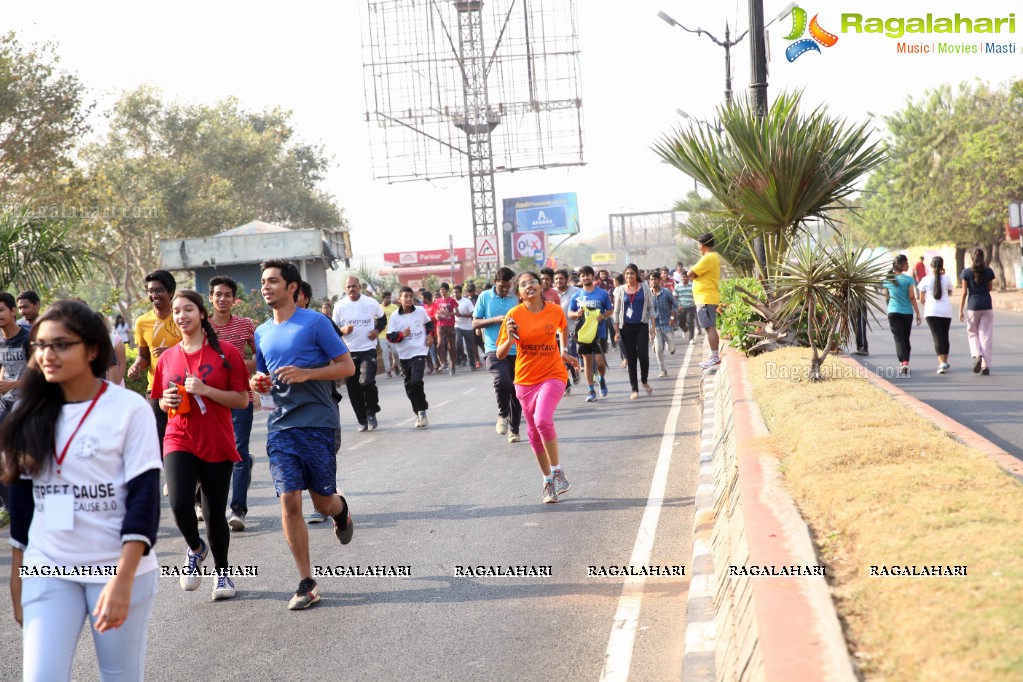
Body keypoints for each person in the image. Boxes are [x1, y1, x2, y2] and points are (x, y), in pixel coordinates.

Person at [2, 299, 161, 680]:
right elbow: (23, 504)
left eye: (60, 344)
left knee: (119, 675)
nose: (46, 354)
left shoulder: (128, 409)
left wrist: (122, 580)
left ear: (92, 349)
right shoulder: (29, 412)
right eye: (39, 345)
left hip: (117, 568)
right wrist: (17, 576)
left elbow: (145, 498)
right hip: (48, 565)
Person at [251, 259, 356, 610]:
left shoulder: (315, 323)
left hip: (317, 422)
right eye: (263, 282)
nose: (266, 287)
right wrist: (258, 384)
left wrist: (307, 374)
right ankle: (306, 581)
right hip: (280, 425)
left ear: (292, 287)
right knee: (288, 500)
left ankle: (340, 512)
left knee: (321, 503)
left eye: (273, 281)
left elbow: (347, 366)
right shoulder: (262, 332)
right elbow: (264, 381)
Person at [153, 291, 249, 599]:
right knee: (180, 504)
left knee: (213, 513)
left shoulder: (226, 354)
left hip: (216, 439)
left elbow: (242, 400)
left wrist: (206, 389)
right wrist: (165, 401)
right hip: (178, 436)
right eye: (177, 311)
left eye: (188, 310)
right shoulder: (167, 357)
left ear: (202, 314)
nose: (182, 316)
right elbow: (160, 399)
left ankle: (222, 574)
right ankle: (196, 548)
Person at [496, 272, 580, 503]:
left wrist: (563, 350)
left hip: (553, 373)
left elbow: (563, 327)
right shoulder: (514, 315)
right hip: (524, 380)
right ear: (519, 293)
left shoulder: (554, 309)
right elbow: (500, 353)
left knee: (543, 420)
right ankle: (547, 481)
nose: (529, 286)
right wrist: (510, 339)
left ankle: (557, 470)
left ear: (540, 286)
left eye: (532, 282)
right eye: (523, 285)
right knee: (533, 432)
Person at [208, 275, 258, 531]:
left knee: (238, 452)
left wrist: (237, 367)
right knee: (213, 455)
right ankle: (205, 504)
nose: (223, 299)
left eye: (227, 295)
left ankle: (237, 509)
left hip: (241, 398)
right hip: (210, 400)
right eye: (218, 294)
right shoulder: (202, 326)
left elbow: (261, 357)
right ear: (211, 298)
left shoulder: (246, 325)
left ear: (234, 299)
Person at [127, 270, 182, 460]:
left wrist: (171, 351)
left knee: (185, 439)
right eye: (151, 291)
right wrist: (136, 366)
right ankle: (175, 480)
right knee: (159, 441)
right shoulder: (142, 322)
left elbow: (197, 348)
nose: (154, 295)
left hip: (183, 387)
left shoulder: (182, 317)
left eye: (159, 290)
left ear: (171, 292)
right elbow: (144, 356)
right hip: (156, 389)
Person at [474, 267, 522, 443]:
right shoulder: (485, 297)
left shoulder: (517, 297)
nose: (504, 290)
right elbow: (475, 323)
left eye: (507, 287)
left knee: (517, 391)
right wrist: (495, 320)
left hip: (517, 349)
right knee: (502, 382)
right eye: (502, 287)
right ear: (495, 282)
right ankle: (502, 414)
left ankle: (515, 429)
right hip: (494, 347)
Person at [333, 276, 387, 432]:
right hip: (347, 353)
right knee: (353, 388)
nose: (351, 289)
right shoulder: (340, 306)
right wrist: (342, 330)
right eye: (348, 287)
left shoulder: (370, 302)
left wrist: (376, 330)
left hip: (368, 349)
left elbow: (382, 319)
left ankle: (371, 412)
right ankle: (362, 420)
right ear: (345, 289)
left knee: (367, 382)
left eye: (354, 286)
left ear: (360, 287)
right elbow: (332, 328)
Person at [0, 292, 31, 531]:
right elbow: (3, 369)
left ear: (13, 312)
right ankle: (8, 503)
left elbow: (40, 377)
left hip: (28, 402)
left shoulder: (27, 340)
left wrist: (13, 385)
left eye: (1, 310)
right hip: (6, 401)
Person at [387, 287, 434, 426]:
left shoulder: (420, 311)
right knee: (409, 386)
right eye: (405, 296)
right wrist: (401, 335)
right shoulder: (395, 316)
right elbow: (390, 336)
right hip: (405, 355)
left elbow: (429, 323)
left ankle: (422, 410)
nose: (408, 299)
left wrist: (430, 335)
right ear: (399, 298)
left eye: (410, 296)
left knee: (416, 381)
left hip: (419, 350)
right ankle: (419, 412)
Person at [569, 266, 613, 402]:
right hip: (584, 335)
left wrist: (603, 316)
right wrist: (577, 313)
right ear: (580, 278)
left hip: (599, 333)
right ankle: (591, 390)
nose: (585, 278)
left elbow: (610, 310)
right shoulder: (576, 296)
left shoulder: (602, 294)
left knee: (600, 362)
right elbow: (570, 313)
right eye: (583, 276)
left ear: (592, 276)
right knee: (587, 361)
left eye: (588, 275)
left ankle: (601, 378)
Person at [612, 264, 655, 399]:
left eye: (631, 273)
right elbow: (616, 311)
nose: (629, 276)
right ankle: (634, 389)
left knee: (643, 355)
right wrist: (617, 331)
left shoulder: (645, 287)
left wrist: (652, 326)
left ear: (636, 274)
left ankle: (644, 380)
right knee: (631, 358)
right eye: (627, 274)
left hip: (641, 326)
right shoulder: (619, 290)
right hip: (626, 328)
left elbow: (650, 307)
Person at [883, 254, 922, 377]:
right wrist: (918, 313)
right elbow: (911, 297)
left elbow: (886, 297)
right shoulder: (908, 279)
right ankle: (905, 361)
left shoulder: (888, 279)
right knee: (905, 338)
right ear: (902, 265)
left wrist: (890, 307)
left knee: (898, 338)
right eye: (907, 263)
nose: (908, 265)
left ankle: (903, 362)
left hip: (893, 312)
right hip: (906, 313)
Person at [959, 248, 996, 376]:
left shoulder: (966, 273)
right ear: (983, 257)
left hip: (973, 306)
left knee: (972, 332)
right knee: (985, 335)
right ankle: (986, 366)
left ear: (972, 258)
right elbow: (990, 288)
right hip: (987, 305)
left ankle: (977, 355)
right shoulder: (989, 271)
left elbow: (964, 292)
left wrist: (960, 310)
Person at [688, 233, 722, 368]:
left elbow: (690, 273)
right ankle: (714, 356)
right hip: (706, 298)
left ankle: (714, 357)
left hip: (706, 298)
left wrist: (694, 276)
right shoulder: (711, 257)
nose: (698, 247)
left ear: (702, 245)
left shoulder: (708, 257)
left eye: (698, 244)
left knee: (710, 327)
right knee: (709, 327)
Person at [917, 256, 954, 374]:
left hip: (931, 311)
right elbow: (950, 293)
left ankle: (942, 363)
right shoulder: (947, 278)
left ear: (931, 266)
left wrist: (927, 303)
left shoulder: (925, 280)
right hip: (946, 311)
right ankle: (945, 361)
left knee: (937, 337)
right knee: (944, 336)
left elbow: (921, 299)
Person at [553, 269, 581, 392]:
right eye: (556, 279)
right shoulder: (550, 294)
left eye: (561, 278)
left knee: (568, 355)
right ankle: (566, 383)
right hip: (553, 332)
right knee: (557, 360)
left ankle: (574, 372)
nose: (559, 281)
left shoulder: (576, 292)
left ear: (567, 280)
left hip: (571, 330)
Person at [648, 271, 678, 378]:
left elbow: (675, 304)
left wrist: (672, 317)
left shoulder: (666, 292)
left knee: (671, 347)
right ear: (649, 282)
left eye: (655, 279)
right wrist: (649, 328)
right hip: (655, 326)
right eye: (651, 279)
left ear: (659, 281)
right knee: (659, 349)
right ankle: (663, 370)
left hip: (667, 324)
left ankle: (671, 348)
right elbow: (646, 312)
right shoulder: (647, 295)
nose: (653, 281)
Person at [433, 283, 458, 375]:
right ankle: (444, 362)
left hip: (450, 324)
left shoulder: (452, 300)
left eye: (443, 289)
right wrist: (437, 316)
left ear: (447, 290)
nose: (441, 291)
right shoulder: (437, 301)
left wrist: (448, 314)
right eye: (440, 290)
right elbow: (436, 313)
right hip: (440, 324)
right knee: (440, 343)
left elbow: (456, 312)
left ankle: (453, 364)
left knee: (451, 346)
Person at [453, 285, 478, 371]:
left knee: (470, 347)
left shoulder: (466, 301)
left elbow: (472, 313)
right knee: (458, 342)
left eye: (457, 292)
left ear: (460, 292)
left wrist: (462, 315)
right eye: (454, 292)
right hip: (457, 326)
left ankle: (473, 364)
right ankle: (463, 357)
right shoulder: (452, 302)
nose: (455, 294)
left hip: (468, 327)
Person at [378, 291, 402, 378]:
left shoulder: (395, 307)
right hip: (382, 335)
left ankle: (396, 364)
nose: (389, 300)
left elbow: (399, 318)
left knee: (395, 352)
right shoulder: (378, 308)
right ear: (383, 298)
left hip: (392, 334)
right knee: (385, 353)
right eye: (387, 298)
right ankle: (388, 370)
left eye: (390, 298)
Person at [673, 272, 698, 345]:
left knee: (690, 322)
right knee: (681, 323)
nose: (683, 279)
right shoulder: (677, 286)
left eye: (685, 277)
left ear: (688, 277)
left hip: (691, 307)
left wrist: (695, 303)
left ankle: (691, 338)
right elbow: (674, 297)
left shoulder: (693, 285)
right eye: (682, 277)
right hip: (681, 308)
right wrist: (678, 305)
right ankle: (685, 330)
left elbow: (696, 295)